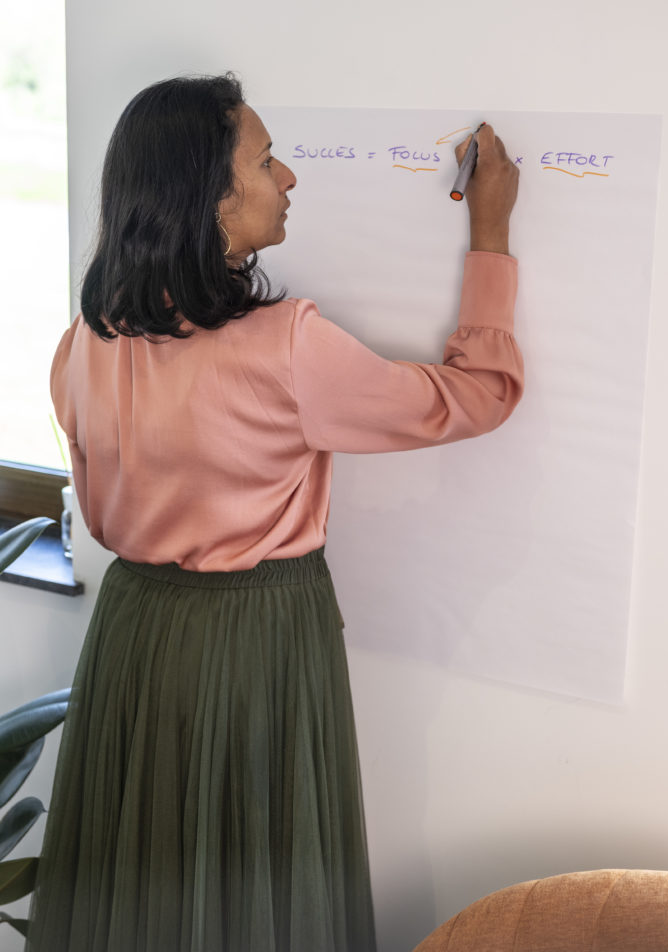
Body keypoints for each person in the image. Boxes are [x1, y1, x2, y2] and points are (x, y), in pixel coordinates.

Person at [27, 74, 523, 952]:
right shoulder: (287, 349)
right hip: (253, 637)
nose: (288, 176)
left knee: (138, 874)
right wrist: (491, 235)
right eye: (264, 160)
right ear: (209, 201)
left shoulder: (83, 343)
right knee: (253, 882)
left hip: (133, 634)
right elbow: (477, 398)